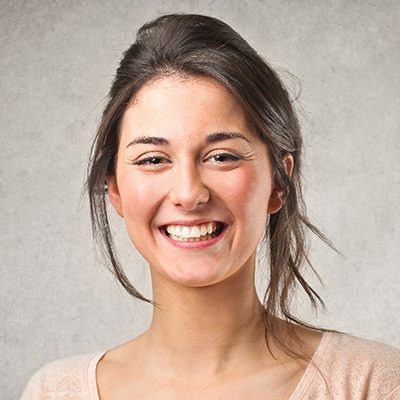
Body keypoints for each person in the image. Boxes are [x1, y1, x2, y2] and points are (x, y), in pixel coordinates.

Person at [20, 13, 400, 400]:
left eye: (221, 157)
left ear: (278, 182)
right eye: (153, 159)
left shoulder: (369, 383)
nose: (189, 193)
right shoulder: (56, 392)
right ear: (114, 189)